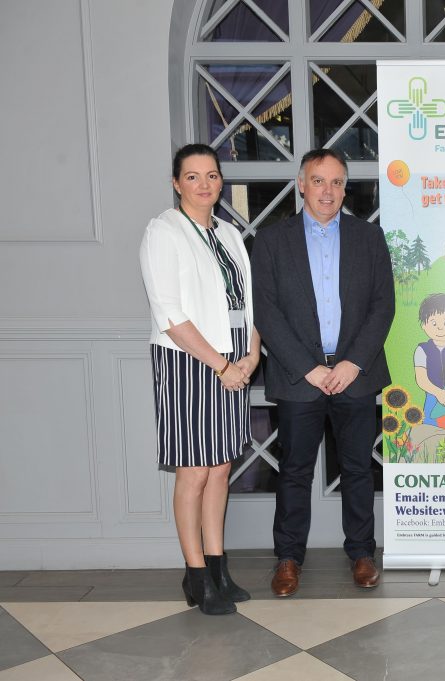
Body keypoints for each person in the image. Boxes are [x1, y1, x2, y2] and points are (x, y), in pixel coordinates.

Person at [252, 148, 395, 597]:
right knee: (294, 471)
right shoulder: (273, 241)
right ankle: (289, 559)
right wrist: (309, 368)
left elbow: (382, 305)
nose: (328, 191)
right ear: (301, 184)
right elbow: (266, 312)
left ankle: (362, 554)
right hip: (300, 380)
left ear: (345, 187)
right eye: (318, 181)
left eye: (336, 182)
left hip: (356, 374)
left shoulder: (368, 238)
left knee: (357, 469)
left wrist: (352, 363)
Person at [140, 143, 261, 615]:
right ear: (176, 183)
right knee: (194, 471)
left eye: (212, 175)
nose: (205, 184)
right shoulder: (163, 231)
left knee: (221, 468)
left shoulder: (229, 234)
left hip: (233, 360)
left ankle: (218, 568)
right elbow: (169, 313)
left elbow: (245, 303)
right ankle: (195, 576)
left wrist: (251, 354)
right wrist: (220, 364)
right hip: (190, 362)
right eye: (193, 177)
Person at [414, 293, 445, 424]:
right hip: (432, 396)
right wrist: (438, 393)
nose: (440, 327)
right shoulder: (422, 350)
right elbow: (421, 379)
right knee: (431, 433)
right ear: (423, 326)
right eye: (434, 323)